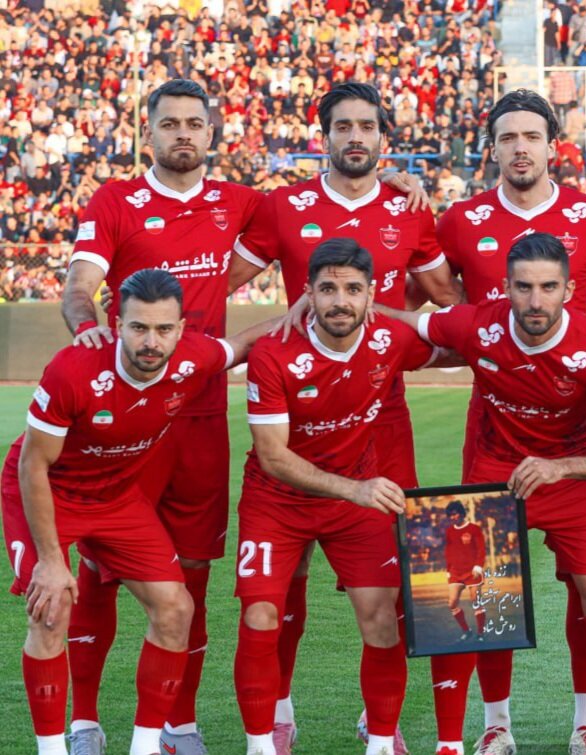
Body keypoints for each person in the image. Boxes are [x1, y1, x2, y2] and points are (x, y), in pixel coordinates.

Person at [228, 81, 460, 753]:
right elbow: (218, 280)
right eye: (343, 126)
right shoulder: (284, 205)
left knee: (394, 591)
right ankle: (277, 712)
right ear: (324, 134)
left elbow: (448, 303)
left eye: (367, 126)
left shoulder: (408, 208)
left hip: (381, 415)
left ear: (384, 137)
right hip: (298, 407)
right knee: (282, 585)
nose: (355, 136)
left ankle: (380, 724)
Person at [432, 89, 586, 755]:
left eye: (532, 135)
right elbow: (425, 295)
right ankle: (494, 724)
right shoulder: (461, 219)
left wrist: (581, 348)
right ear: (491, 148)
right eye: (508, 137)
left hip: (574, 440)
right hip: (492, 442)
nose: (520, 147)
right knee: (483, 589)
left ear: (552, 145)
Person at [59, 78, 264, 755]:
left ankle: (178, 725)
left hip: (200, 418)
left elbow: (326, 211)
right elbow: (78, 287)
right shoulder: (116, 201)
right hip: (127, 420)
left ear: (211, 133)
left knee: (193, 574)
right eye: (169, 123)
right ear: (147, 132)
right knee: (98, 572)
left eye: (193, 123)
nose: (182, 133)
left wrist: (399, 186)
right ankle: (84, 722)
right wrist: (87, 328)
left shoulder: (238, 202)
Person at [2, 268, 271, 755]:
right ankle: (52, 749)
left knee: (176, 609)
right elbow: (32, 466)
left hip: (117, 497)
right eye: (139, 328)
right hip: (47, 491)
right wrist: (51, 560)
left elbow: (242, 344)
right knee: (51, 608)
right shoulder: (72, 369)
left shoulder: (193, 357)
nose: (152, 342)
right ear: (117, 324)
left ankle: (145, 747)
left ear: (181, 328)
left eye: (164, 329)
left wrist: (303, 311)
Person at [398, 232, 586, 755]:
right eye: (525, 287)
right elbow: (397, 322)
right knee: (475, 594)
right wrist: (327, 304)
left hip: (571, 475)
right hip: (496, 472)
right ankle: (481, 733)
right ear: (505, 287)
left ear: (570, 290)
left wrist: (561, 468)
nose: (536, 301)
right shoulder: (476, 323)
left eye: (549, 287)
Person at [232, 238, 443, 755]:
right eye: (327, 289)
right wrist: (356, 490)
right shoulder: (273, 353)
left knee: (381, 616)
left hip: (354, 502)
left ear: (371, 295)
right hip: (277, 501)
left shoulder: (390, 339)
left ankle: (380, 742)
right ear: (308, 294)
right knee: (260, 617)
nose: (340, 301)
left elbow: (464, 346)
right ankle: (262, 744)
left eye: (352, 290)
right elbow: (273, 456)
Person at [443, 500, 487, 641]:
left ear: (462, 513)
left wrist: (478, 566)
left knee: (475, 601)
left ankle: (480, 634)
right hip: (455, 572)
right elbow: (448, 551)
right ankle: (466, 631)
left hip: (472, 572)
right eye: (450, 515)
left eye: (454, 514)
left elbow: (481, 549)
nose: (452, 517)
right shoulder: (449, 531)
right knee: (452, 603)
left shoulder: (474, 529)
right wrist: (448, 569)